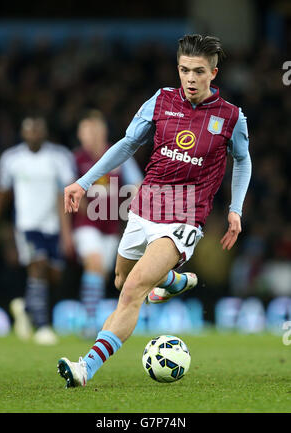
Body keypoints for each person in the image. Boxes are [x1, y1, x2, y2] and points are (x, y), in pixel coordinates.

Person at [57, 34, 252, 387]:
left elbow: (243, 161)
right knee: (120, 279)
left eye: (198, 71)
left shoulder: (231, 118)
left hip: (184, 217)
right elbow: (128, 144)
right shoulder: (161, 101)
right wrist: (84, 182)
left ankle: (86, 367)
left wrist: (235, 209)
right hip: (144, 208)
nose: (190, 79)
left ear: (213, 73)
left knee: (131, 291)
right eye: (183, 70)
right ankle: (172, 280)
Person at [0, 116, 76, 345]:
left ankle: (26, 307)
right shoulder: (12, 159)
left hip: (52, 226)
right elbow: (1, 196)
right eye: (30, 130)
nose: (34, 134)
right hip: (26, 226)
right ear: (23, 132)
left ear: (45, 132)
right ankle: (42, 326)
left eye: (38, 130)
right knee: (37, 266)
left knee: (53, 275)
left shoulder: (59, 157)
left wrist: (67, 233)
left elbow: (66, 195)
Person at [72, 109, 143, 336]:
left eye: (94, 130)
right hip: (86, 224)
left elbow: (137, 186)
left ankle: (91, 317)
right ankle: (90, 323)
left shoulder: (119, 156)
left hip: (111, 226)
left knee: (101, 273)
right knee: (94, 263)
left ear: (102, 131)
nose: (89, 136)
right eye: (85, 131)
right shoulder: (76, 159)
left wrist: (133, 208)